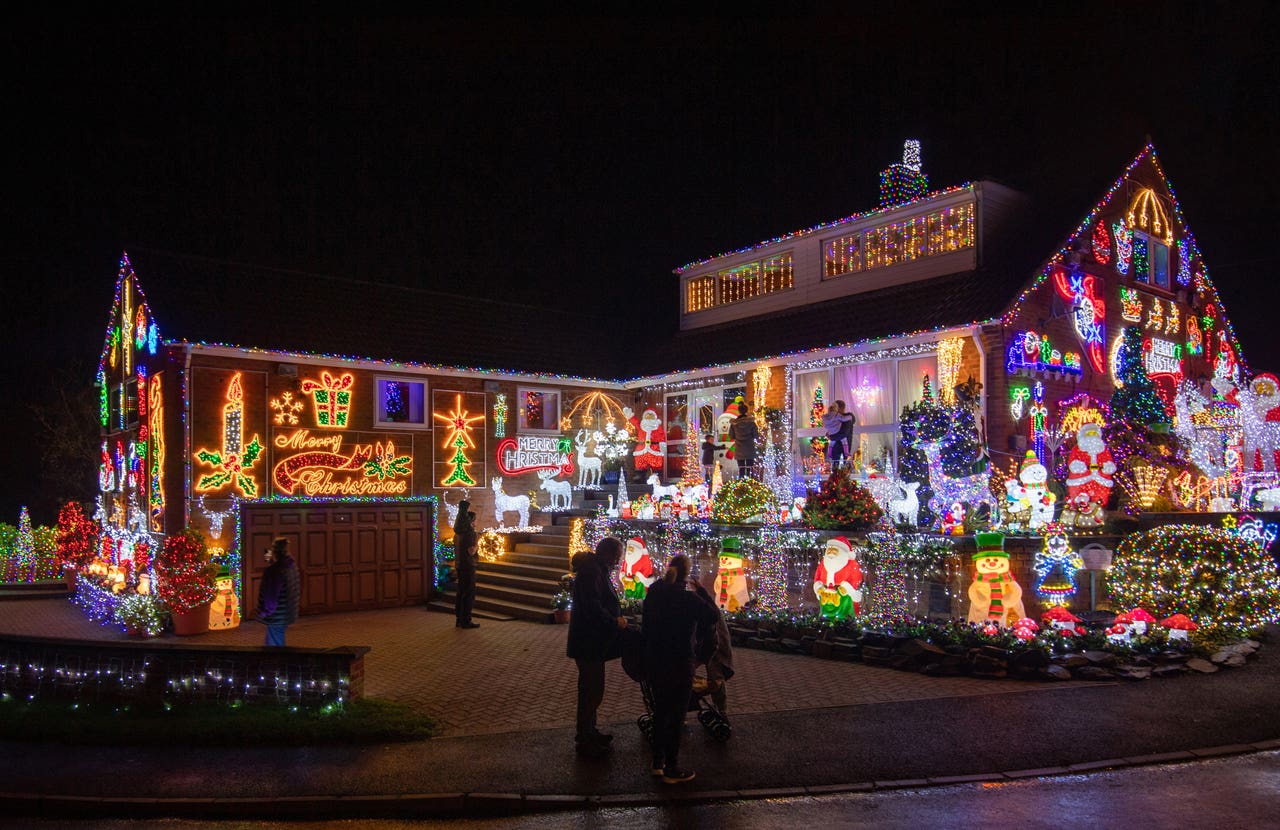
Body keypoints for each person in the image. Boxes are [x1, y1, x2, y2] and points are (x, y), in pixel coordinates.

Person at [642, 553, 718, 784]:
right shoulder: (688, 598)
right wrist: (702, 591)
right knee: (676, 716)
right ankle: (672, 767)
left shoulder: (654, 593)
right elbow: (712, 616)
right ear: (686, 574)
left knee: (660, 713)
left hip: (656, 660)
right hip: (680, 661)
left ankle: (657, 762)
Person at [566, 536, 628, 756]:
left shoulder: (596, 569)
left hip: (592, 642)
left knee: (593, 689)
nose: (618, 561)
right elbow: (593, 606)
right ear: (608, 554)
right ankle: (585, 737)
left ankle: (590, 731)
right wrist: (614, 621)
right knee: (591, 690)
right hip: (588, 642)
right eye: (617, 556)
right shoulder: (592, 571)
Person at [256, 537, 300, 647]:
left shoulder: (275, 571)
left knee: (274, 645)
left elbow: (271, 596)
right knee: (275, 640)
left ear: (275, 551)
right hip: (287, 613)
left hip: (277, 615)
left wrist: (265, 612)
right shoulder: (291, 565)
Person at [453, 502, 480, 629]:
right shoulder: (470, 533)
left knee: (461, 592)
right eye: (474, 520)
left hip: (459, 564)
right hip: (468, 566)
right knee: (469, 593)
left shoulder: (457, 533)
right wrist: (477, 545)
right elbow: (471, 551)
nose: (475, 523)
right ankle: (466, 620)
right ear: (470, 521)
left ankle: (459, 619)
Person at [730, 406, 759, 478]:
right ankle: (750, 482)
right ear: (746, 411)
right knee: (750, 469)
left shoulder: (734, 424)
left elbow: (731, 436)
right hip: (750, 448)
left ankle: (741, 483)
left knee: (741, 469)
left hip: (739, 449)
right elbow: (756, 435)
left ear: (739, 411)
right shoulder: (751, 423)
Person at [821, 404, 845, 469]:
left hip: (834, 441)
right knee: (838, 459)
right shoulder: (838, 418)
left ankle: (835, 470)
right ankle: (837, 470)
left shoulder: (828, 419)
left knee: (835, 459)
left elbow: (827, 430)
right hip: (838, 441)